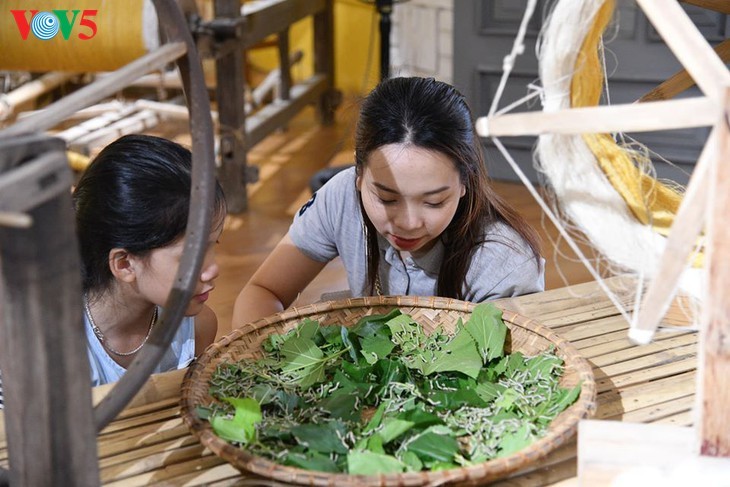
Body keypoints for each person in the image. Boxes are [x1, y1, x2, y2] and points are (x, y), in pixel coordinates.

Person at [232, 77, 544, 326]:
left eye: (434, 202)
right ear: (358, 175)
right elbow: (265, 290)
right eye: (386, 198)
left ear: (465, 183)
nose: (408, 223)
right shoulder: (342, 197)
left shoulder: (503, 262)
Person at [73, 134, 226, 386]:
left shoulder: (197, 328)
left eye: (213, 246)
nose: (213, 270)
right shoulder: (50, 350)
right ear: (124, 264)